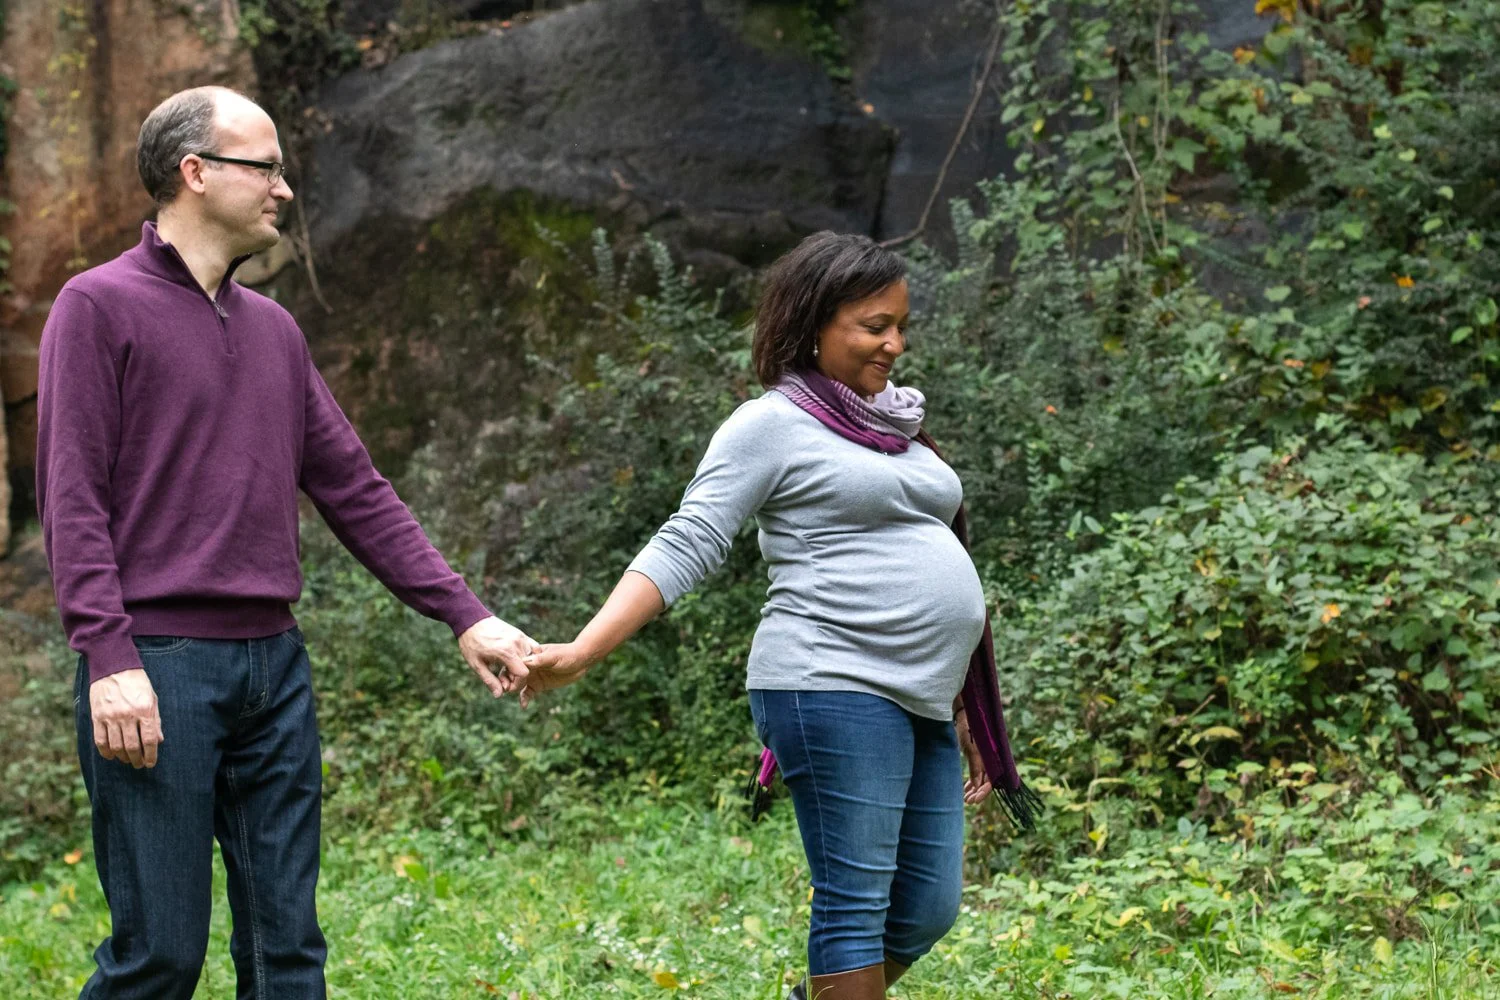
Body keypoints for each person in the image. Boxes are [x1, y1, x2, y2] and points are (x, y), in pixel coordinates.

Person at [35, 86, 536, 999]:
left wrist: (466, 615)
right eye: (264, 166)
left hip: (274, 669)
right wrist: (107, 655)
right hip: (157, 668)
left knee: (289, 955)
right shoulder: (95, 307)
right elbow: (71, 499)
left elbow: (354, 488)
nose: (285, 189)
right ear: (195, 173)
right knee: (159, 957)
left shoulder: (275, 331)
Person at [522, 231, 1037, 1000]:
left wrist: (963, 699)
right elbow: (689, 540)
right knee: (855, 907)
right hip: (831, 681)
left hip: (922, 699)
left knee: (928, 908)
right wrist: (584, 650)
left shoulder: (894, 428)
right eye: (874, 326)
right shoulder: (771, 424)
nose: (895, 343)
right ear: (814, 322)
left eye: (901, 325)